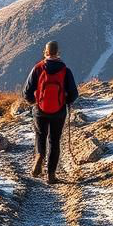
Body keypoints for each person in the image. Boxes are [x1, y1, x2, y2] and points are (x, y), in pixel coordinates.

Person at [23, 40, 78, 184]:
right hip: (59, 111)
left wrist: (34, 102)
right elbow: (74, 93)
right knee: (54, 140)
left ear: (45, 52)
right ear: (58, 52)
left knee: (41, 135)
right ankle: (51, 175)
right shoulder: (65, 70)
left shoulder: (38, 68)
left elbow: (26, 91)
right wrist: (66, 101)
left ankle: (40, 155)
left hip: (40, 110)